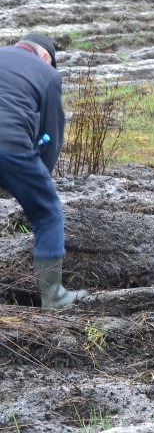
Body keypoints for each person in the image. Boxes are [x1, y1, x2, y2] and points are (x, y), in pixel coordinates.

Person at [0, 33, 89, 310]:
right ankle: (54, 298)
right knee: (47, 213)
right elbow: (50, 137)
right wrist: (40, 179)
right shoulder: (48, 75)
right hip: (11, 144)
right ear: (43, 57)